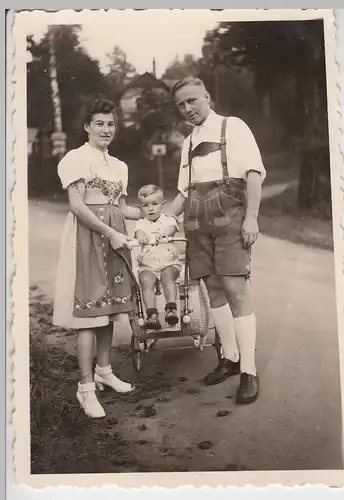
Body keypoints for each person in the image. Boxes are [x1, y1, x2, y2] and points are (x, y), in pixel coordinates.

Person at [167, 77, 266, 405]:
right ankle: (230, 357)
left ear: (207, 96)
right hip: (196, 217)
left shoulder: (233, 126)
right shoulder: (188, 141)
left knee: (236, 288)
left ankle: (249, 371)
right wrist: (163, 221)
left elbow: (253, 173)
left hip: (230, 213)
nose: (188, 109)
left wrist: (251, 217)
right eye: (181, 105)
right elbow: (184, 191)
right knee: (213, 288)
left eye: (192, 101)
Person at [53, 96, 142, 419]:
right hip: (87, 238)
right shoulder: (76, 159)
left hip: (114, 240)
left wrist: (146, 217)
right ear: (87, 126)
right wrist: (111, 232)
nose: (106, 129)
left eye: (111, 124)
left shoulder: (119, 166)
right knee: (89, 314)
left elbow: (120, 208)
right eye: (100, 123)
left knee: (110, 311)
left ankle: (104, 371)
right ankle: (86, 387)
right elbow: (78, 206)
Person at [134, 184, 181, 329]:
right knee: (145, 281)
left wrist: (166, 233)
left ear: (163, 204)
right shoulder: (141, 223)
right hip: (148, 265)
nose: (151, 209)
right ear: (140, 208)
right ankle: (152, 315)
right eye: (145, 205)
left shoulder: (168, 220)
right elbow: (139, 233)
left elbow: (172, 229)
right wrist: (141, 237)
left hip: (169, 263)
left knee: (168, 277)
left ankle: (171, 309)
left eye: (155, 204)